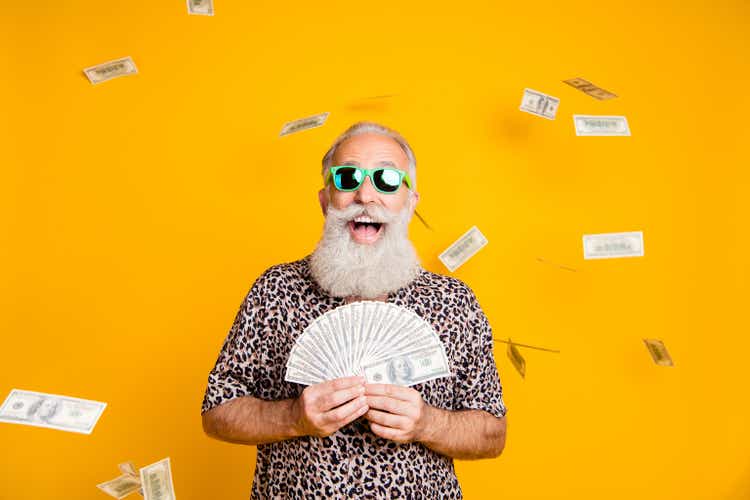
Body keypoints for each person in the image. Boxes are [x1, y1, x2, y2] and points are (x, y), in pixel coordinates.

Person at [201, 121, 508, 499]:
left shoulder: (453, 302)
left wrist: (428, 422)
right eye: (347, 178)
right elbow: (217, 412)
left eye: (387, 180)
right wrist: (293, 418)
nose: (366, 194)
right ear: (325, 199)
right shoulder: (275, 290)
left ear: (410, 203)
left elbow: (493, 434)